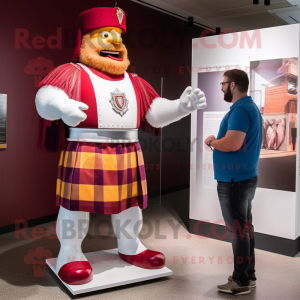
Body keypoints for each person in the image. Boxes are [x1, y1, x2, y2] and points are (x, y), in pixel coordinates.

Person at [204, 69, 263, 295]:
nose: (221, 87)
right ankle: (249, 275)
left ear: (232, 85)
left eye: (223, 83)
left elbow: (232, 144)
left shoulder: (240, 110)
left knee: (239, 231)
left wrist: (212, 141)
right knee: (245, 229)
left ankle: (240, 282)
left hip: (234, 182)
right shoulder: (250, 108)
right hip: (243, 178)